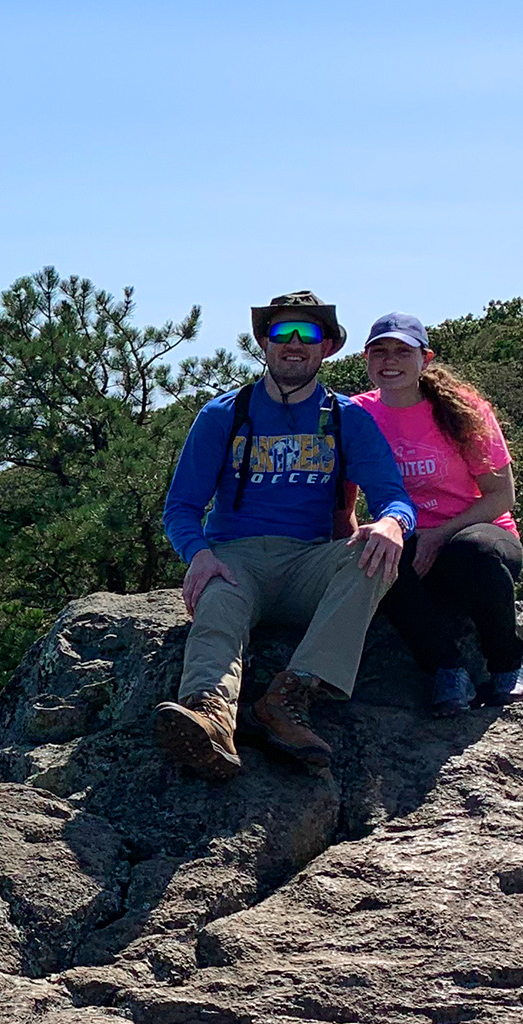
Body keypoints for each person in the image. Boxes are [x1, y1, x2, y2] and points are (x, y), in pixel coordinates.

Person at [154, 291, 417, 781]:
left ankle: (288, 696)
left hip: (309, 564)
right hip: (236, 560)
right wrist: (200, 556)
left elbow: (394, 496)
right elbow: (182, 507)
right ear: (263, 342)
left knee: (373, 558)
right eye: (282, 333)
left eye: (308, 334)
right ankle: (210, 716)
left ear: (328, 348)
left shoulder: (347, 419)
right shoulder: (223, 415)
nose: (294, 344)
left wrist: (390, 523)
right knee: (217, 604)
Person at [350, 313, 523, 714]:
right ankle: (446, 670)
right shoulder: (357, 414)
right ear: (366, 358)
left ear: (425, 358)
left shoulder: (463, 410)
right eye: (379, 351)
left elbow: (501, 495)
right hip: (407, 542)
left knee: (475, 553)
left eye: (402, 350)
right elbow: (341, 491)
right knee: (376, 558)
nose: (389, 360)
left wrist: (439, 535)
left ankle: (506, 664)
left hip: (477, 538)